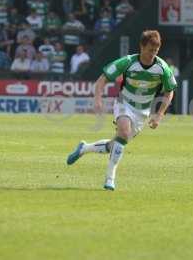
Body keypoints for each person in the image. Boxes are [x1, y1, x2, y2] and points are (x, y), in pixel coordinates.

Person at [66, 30, 177, 191]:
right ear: (141, 46)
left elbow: (169, 91)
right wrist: (97, 99)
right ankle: (110, 179)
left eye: (156, 51)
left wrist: (159, 114)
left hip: (143, 112)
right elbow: (102, 79)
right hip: (124, 103)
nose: (152, 54)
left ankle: (84, 148)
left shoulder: (162, 68)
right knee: (124, 133)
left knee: (117, 144)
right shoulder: (128, 62)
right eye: (150, 50)